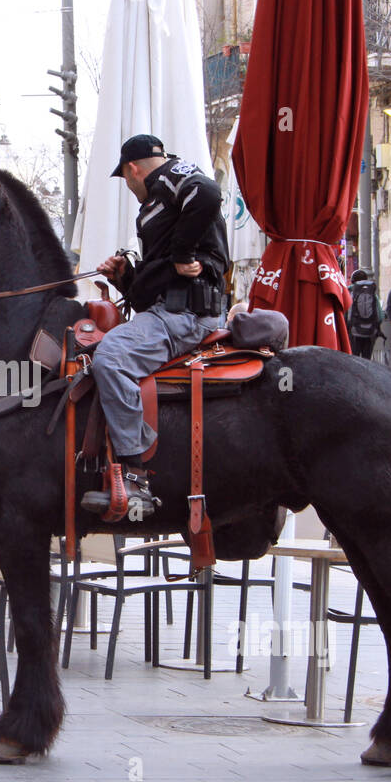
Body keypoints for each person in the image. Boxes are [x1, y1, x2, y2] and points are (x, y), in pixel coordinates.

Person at [82, 134, 229, 520]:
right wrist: (125, 278)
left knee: (111, 357)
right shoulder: (155, 203)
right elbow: (154, 288)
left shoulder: (171, 176)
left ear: (133, 169)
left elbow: (211, 193)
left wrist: (182, 254)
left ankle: (134, 475)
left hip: (186, 317)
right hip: (167, 311)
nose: (128, 187)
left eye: (126, 179)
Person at [346, 268, 383, 361]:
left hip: (353, 331)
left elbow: (344, 315)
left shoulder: (349, 293)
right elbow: (380, 316)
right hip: (370, 331)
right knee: (367, 359)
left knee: (354, 359)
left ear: (352, 281)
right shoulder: (372, 294)